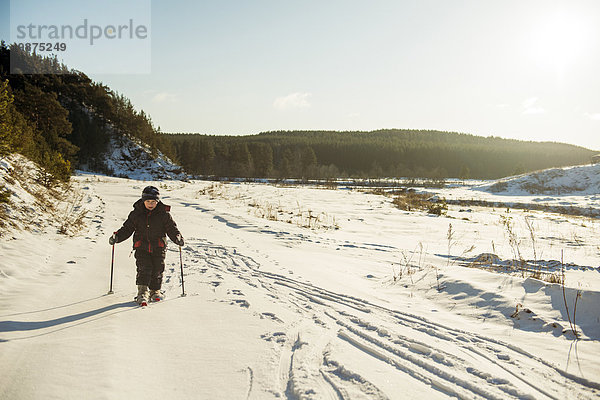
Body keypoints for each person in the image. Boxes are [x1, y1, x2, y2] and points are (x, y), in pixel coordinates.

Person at [109, 186, 184, 305]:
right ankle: (142, 292)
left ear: (157, 202)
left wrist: (177, 238)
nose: (150, 204)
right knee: (144, 268)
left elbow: (171, 229)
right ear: (143, 201)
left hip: (159, 246)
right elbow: (127, 228)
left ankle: (155, 291)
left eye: (153, 202)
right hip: (141, 246)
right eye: (148, 201)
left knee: (158, 269)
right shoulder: (136, 214)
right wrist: (117, 237)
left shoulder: (163, 214)